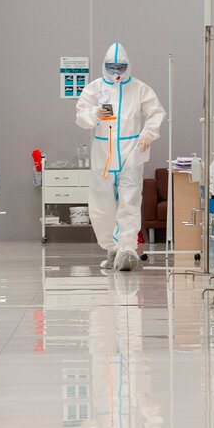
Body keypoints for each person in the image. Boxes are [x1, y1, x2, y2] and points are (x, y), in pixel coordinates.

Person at [76, 43, 166, 271]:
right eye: (112, 67)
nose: (116, 71)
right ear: (104, 66)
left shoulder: (139, 88)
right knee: (102, 204)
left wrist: (148, 134)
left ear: (128, 66)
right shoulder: (94, 88)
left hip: (130, 150)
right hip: (103, 152)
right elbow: (81, 117)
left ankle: (127, 250)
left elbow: (156, 113)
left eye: (120, 67)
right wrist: (95, 113)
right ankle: (111, 249)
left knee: (130, 199)